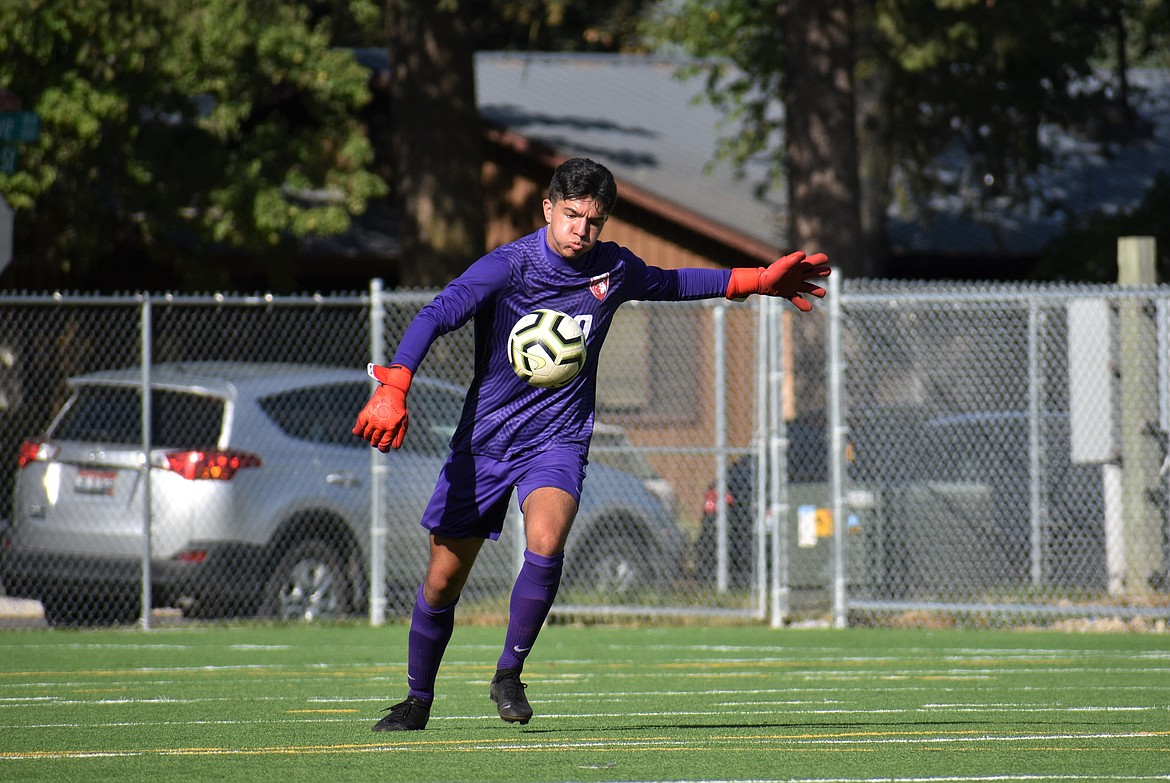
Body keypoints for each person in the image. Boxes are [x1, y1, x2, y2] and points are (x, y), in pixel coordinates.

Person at [353, 157, 830, 731]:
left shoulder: (613, 269)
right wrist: (395, 385)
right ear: (549, 209)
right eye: (573, 215)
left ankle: (509, 671)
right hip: (486, 442)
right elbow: (436, 314)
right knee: (442, 581)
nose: (582, 229)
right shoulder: (509, 267)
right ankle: (417, 700)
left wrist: (757, 281)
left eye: (595, 221)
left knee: (547, 542)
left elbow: (674, 282)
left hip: (558, 438)